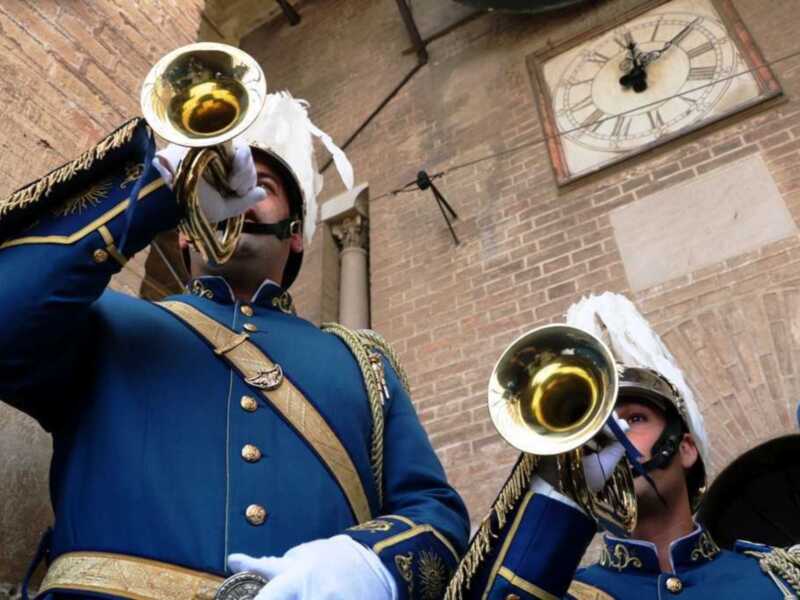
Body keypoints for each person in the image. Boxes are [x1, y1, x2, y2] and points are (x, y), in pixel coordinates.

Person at [0, 91, 469, 600]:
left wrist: (369, 564)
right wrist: (158, 186)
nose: (240, 193)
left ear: (296, 235)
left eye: (262, 185)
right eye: (219, 183)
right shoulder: (101, 319)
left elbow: (435, 514)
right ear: (185, 234)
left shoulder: (364, 365)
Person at [443, 292, 800, 600]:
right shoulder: (561, 592)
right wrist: (560, 489)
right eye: (598, 428)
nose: (612, 435)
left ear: (685, 448)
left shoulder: (779, 580)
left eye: (635, 419)